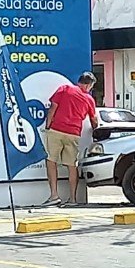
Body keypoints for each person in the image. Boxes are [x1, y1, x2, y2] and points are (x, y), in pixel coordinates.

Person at [43, 72, 99, 207]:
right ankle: (73, 199)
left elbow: (52, 109)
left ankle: (54, 195)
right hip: (74, 133)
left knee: (51, 161)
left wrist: (48, 126)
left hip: (56, 130)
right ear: (88, 85)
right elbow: (94, 119)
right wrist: (95, 129)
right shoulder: (89, 99)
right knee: (72, 165)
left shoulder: (65, 89)